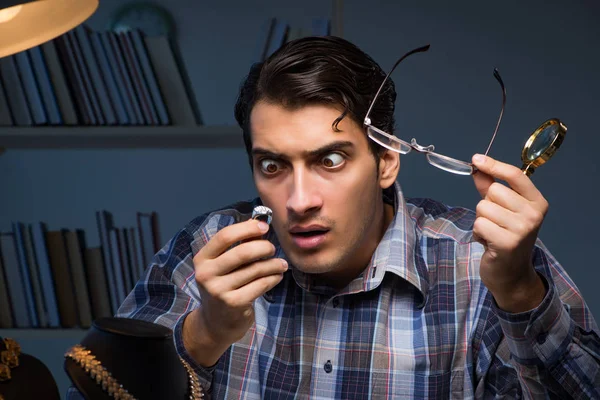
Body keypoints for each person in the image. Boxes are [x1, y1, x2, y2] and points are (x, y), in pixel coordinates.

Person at [71, 36, 599, 399]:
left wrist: (522, 295)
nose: (299, 200)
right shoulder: (211, 248)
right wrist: (202, 336)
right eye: (273, 164)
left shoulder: (483, 262)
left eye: (330, 160)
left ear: (387, 161)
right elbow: (88, 390)